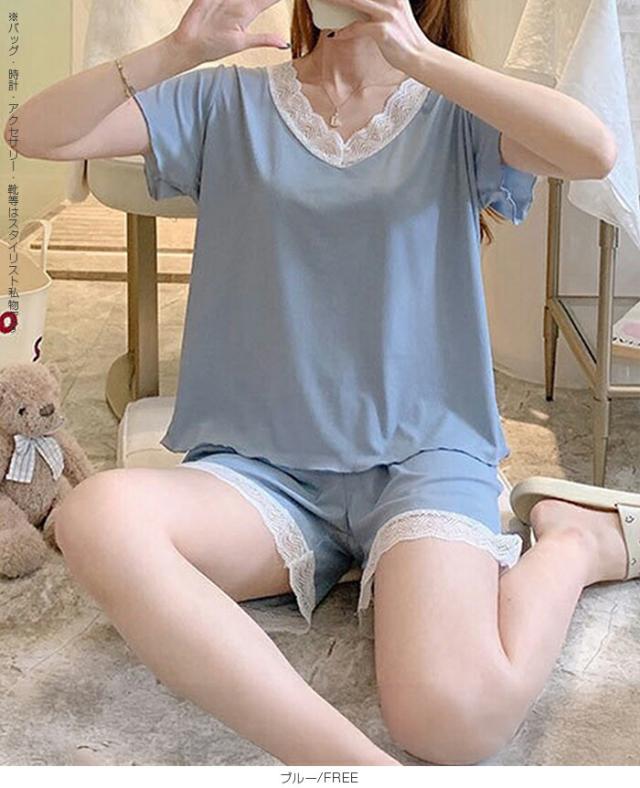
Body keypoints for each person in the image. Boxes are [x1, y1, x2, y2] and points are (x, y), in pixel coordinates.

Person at [9, 0, 626, 767]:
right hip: (260, 474)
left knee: (452, 722)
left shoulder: (455, 110)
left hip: (423, 459)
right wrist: (178, 48)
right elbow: (34, 132)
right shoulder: (225, 100)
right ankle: (356, 772)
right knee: (94, 517)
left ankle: (575, 542)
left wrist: (422, 60)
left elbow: (596, 150)